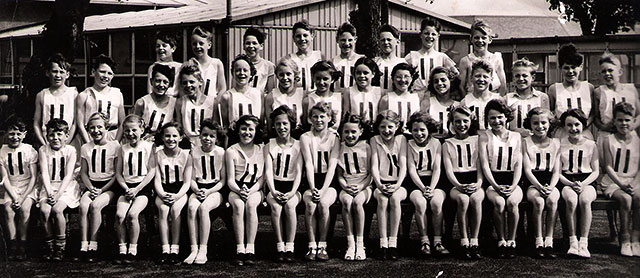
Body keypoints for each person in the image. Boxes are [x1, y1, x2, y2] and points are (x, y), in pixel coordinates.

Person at [479, 99, 523, 259]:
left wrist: (513, 185)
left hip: (512, 180)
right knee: (499, 203)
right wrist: (496, 186)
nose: (496, 121)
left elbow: (518, 163)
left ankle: (512, 241)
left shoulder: (517, 136)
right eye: (492, 118)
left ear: (506, 117)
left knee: (512, 203)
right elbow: (484, 165)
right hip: (493, 180)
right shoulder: (485, 136)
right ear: (487, 120)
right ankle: (501, 240)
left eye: (499, 117)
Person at [323, 114, 372, 261]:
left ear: (360, 132)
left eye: (353, 132)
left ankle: (360, 243)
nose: (350, 135)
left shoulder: (366, 146)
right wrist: (346, 186)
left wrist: (361, 186)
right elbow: (339, 175)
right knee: (347, 202)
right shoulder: (340, 148)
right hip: (347, 185)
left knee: (357, 203)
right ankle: (350, 244)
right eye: (346, 132)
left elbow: (370, 173)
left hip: (364, 185)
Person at [405, 111, 450, 257]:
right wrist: (423, 188)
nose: (418, 133)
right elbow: (411, 169)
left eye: (422, 130)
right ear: (410, 131)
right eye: (415, 130)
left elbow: (437, 168)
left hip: (435, 182)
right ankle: (424, 241)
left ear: (429, 130)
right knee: (420, 202)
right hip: (416, 183)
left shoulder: (436, 143)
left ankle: (437, 241)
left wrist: (431, 187)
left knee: (436, 202)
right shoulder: (409, 144)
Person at [78, 112, 121, 261]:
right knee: (83, 206)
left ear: (107, 128)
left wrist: (101, 190)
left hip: (108, 186)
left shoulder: (115, 146)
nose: (96, 131)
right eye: (92, 128)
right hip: (91, 185)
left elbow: (117, 173)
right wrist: (90, 188)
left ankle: (94, 246)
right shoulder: (85, 147)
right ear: (88, 129)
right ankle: (83, 245)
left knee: (95, 206)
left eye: (99, 127)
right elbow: (83, 172)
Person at [599, 103, 640, 257]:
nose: (624, 123)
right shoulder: (608, 140)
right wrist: (621, 184)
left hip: (634, 180)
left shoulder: (638, 141)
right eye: (620, 120)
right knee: (625, 200)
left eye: (627, 120)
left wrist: (634, 184)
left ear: (633, 121)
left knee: (638, 197)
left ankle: (636, 239)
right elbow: (608, 167)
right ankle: (625, 239)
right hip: (613, 182)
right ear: (614, 121)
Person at [300, 102, 339, 261]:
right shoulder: (305, 137)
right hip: (311, 180)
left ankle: (322, 245)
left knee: (323, 203)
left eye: (322, 116)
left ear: (329, 118)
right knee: (310, 204)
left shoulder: (334, 137)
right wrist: (313, 187)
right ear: (309, 119)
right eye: (315, 117)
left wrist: (323, 189)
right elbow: (308, 164)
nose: (318, 120)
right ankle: (311, 245)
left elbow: (332, 166)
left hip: (329, 181)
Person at [114, 114, 156, 264]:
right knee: (120, 215)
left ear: (142, 129)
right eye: (127, 131)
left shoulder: (148, 147)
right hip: (126, 188)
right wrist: (126, 188)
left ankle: (133, 249)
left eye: (134, 130)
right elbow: (118, 173)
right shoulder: (122, 149)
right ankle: (122, 249)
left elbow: (151, 171)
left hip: (142, 189)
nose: (130, 134)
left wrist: (137, 189)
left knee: (132, 214)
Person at [443, 106, 483, 260]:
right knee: (463, 199)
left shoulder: (477, 140)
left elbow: (480, 165)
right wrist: (459, 186)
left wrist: (479, 183)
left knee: (476, 199)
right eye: (457, 121)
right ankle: (464, 241)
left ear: (471, 121)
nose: (461, 124)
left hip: (474, 180)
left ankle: (475, 241)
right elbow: (448, 171)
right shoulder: (447, 143)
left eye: (465, 121)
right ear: (452, 123)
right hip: (456, 183)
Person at [558, 109, 599, 258]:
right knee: (571, 199)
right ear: (564, 127)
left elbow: (595, 171)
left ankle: (584, 243)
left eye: (577, 124)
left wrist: (583, 184)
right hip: (567, 181)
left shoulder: (591, 144)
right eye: (569, 125)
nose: (573, 128)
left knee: (585, 199)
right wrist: (569, 183)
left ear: (583, 125)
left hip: (587, 181)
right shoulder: (559, 144)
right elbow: (557, 172)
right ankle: (572, 242)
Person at [264, 106, 303, 262]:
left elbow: (300, 172)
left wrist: (293, 192)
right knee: (275, 206)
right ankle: (280, 245)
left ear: (291, 124)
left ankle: (290, 246)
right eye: (278, 124)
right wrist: (273, 191)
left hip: (292, 187)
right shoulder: (270, 145)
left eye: (285, 123)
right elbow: (268, 171)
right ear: (273, 125)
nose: (282, 127)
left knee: (290, 206)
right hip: (275, 187)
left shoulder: (299, 145)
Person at [184, 120, 226, 265]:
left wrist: (208, 192)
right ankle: (193, 248)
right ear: (199, 135)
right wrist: (196, 190)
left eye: (211, 136)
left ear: (216, 138)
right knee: (191, 208)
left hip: (215, 190)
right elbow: (191, 178)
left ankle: (203, 249)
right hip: (198, 188)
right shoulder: (193, 152)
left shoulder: (221, 152)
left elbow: (223, 180)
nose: (207, 138)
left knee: (204, 208)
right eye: (204, 135)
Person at [38, 119, 81, 261]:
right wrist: (50, 192)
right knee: (44, 211)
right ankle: (49, 245)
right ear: (46, 136)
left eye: (59, 134)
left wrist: (58, 194)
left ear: (67, 135)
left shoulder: (71, 150)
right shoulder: (43, 150)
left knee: (57, 209)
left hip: (66, 188)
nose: (55, 138)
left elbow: (69, 175)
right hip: (49, 186)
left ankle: (60, 247)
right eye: (51, 135)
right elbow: (44, 172)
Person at [225, 115, 264, 266]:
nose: (247, 132)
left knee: (251, 205)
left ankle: (251, 248)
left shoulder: (261, 149)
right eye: (243, 129)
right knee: (239, 206)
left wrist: (251, 190)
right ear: (238, 130)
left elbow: (262, 179)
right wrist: (240, 190)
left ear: (256, 131)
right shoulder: (231, 151)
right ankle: (240, 248)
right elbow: (230, 180)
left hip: (255, 188)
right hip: (236, 188)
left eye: (250, 129)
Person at [522, 108, 560, 259]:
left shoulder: (556, 143)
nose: (540, 126)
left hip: (550, 181)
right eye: (535, 123)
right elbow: (527, 170)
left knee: (552, 200)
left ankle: (549, 241)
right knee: (538, 201)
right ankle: (538, 241)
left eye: (543, 122)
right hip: (533, 182)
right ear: (530, 125)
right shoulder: (525, 142)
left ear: (549, 123)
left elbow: (557, 171)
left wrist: (550, 186)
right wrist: (538, 186)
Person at [371, 110, 407, 260]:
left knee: (394, 199)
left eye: (390, 127)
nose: (386, 131)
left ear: (397, 126)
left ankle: (393, 243)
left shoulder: (401, 139)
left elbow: (404, 166)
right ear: (378, 128)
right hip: (381, 184)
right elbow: (374, 166)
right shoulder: (374, 140)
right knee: (383, 200)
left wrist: (397, 185)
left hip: (398, 184)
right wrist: (379, 185)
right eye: (383, 127)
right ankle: (383, 243)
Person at [154, 122, 192, 265]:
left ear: (181, 137)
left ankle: (175, 249)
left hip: (179, 191)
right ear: (162, 138)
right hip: (163, 190)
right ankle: (165, 249)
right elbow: (157, 180)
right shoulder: (158, 155)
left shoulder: (186, 155)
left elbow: (187, 182)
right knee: (163, 210)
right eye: (167, 136)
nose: (171, 139)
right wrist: (163, 194)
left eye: (174, 136)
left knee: (176, 209)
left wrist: (177, 196)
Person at [0, 117, 38, 261]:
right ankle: (12, 244)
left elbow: (34, 178)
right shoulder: (2, 151)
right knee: (8, 210)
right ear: (5, 134)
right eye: (11, 133)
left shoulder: (29, 150)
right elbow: (5, 179)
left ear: (24, 134)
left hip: (28, 187)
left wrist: (22, 198)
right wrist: (15, 197)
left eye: (18, 133)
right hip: (12, 188)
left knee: (24, 208)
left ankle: (23, 244)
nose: (14, 137)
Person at [548, 44, 595, 139]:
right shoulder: (554, 89)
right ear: (560, 68)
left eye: (574, 67)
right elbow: (550, 114)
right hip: (562, 135)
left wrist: (584, 124)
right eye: (566, 67)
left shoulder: (589, 88)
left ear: (581, 67)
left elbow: (593, 113)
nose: (570, 71)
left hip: (584, 135)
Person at [76, 55, 125, 143]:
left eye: (109, 73)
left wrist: (116, 143)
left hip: (112, 137)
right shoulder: (84, 95)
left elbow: (122, 122)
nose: (105, 76)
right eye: (102, 72)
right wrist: (88, 143)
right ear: (93, 72)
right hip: (91, 136)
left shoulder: (117, 94)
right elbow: (80, 124)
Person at [33, 53, 78, 147]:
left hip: (68, 142)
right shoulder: (42, 95)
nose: (58, 75)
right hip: (47, 142)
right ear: (47, 73)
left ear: (68, 74)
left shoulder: (73, 94)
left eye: (61, 72)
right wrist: (44, 143)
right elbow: (36, 123)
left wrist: (66, 143)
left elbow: (75, 122)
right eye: (54, 71)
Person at [404, 18, 457, 93]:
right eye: (426, 33)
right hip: (416, 95)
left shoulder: (442, 57)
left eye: (433, 34)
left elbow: (455, 74)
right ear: (420, 34)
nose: (430, 36)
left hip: (435, 96)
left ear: (438, 36)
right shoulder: (412, 56)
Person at [216, 54, 264, 134]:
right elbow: (226, 126)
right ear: (233, 73)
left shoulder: (259, 94)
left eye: (245, 70)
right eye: (238, 70)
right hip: (235, 138)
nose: (241, 73)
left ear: (251, 73)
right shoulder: (227, 96)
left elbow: (261, 121)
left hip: (256, 138)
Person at [458, 20, 507, 95]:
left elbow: (503, 85)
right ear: (471, 39)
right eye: (477, 38)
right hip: (472, 100)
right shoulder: (466, 60)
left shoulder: (496, 58)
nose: (480, 41)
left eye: (483, 38)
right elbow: (461, 86)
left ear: (490, 39)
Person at [174, 59, 216, 147]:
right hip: (187, 145)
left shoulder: (212, 102)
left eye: (192, 82)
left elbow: (216, 129)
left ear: (200, 82)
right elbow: (179, 129)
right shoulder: (180, 102)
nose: (188, 85)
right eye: (185, 83)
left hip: (207, 144)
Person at [505, 58, 550, 137]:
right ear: (513, 79)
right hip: (514, 142)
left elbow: (546, 123)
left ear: (532, 77)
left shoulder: (542, 97)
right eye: (517, 76)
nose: (521, 79)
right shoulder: (507, 99)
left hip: (536, 142)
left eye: (524, 75)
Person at [378, 63, 427, 130]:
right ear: (393, 78)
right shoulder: (386, 99)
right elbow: (381, 123)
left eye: (406, 76)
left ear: (412, 78)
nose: (403, 80)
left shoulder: (417, 98)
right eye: (398, 77)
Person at [264, 57, 305, 135]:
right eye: (281, 75)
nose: (285, 78)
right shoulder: (271, 97)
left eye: (288, 74)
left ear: (295, 74)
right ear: (277, 76)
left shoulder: (303, 95)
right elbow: (270, 127)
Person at [135, 63, 177, 139]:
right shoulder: (142, 102)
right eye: (158, 81)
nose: (161, 85)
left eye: (165, 82)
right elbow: (134, 126)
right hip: (146, 143)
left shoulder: (175, 103)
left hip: (167, 143)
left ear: (169, 84)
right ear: (151, 81)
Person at [460, 60, 502, 131]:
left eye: (485, 76)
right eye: (477, 76)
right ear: (471, 78)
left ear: (491, 79)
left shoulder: (498, 100)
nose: (481, 79)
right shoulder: (465, 102)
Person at [343, 57, 382, 131]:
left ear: (373, 74)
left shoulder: (380, 92)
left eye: (365, 73)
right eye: (358, 73)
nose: (362, 76)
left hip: (375, 132)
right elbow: (346, 116)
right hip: (354, 132)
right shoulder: (349, 92)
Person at [302, 61, 342, 130]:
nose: (321, 82)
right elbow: (305, 125)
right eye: (318, 78)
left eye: (325, 79)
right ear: (313, 78)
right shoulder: (308, 100)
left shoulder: (339, 98)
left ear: (332, 79)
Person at [286, 20, 324, 91]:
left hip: (316, 98)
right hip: (297, 98)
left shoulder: (319, 56)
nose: (302, 39)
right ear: (293, 38)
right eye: (298, 36)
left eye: (305, 35)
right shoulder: (290, 59)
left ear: (312, 36)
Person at [423, 66, 459, 139]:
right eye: (436, 81)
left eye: (443, 80)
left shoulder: (457, 105)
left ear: (450, 81)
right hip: (432, 143)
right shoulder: (427, 103)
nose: (439, 83)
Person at [190, 26, 226, 98]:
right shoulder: (190, 63)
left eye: (201, 43)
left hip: (212, 103)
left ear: (209, 45)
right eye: (194, 44)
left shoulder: (217, 63)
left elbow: (222, 88)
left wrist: (216, 103)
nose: (197, 46)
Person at [146, 31, 182, 97]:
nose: (160, 48)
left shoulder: (179, 67)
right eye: (158, 46)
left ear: (173, 48)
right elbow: (150, 91)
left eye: (164, 45)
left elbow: (178, 90)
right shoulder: (153, 67)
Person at [331, 22, 364, 92]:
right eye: (343, 40)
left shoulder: (362, 60)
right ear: (337, 40)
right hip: (338, 98)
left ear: (355, 40)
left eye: (350, 40)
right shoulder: (332, 62)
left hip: (356, 98)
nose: (346, 43)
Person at [243, 27, 276, 94]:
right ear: (243, 46)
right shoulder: (239, 64)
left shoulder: (269, 66)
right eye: (248, 43)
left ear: (261, 46)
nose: (251, 46)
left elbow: (271, 92)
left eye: (254, 43)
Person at [375, 24, 406, 92]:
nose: (386, 43)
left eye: (389, 40)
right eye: (383, 40)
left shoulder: (403, 63)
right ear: (379, 42)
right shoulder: (375, 62)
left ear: (397, 41)